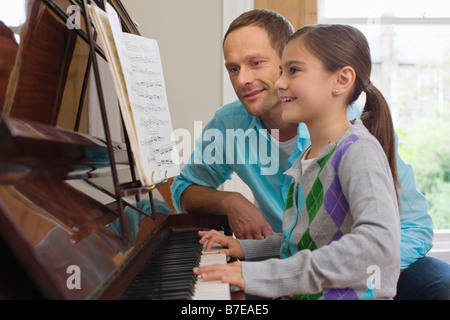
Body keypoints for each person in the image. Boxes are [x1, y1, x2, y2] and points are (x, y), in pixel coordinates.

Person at [170, 9, 450, 299]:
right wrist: (234, 212)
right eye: (233, 68)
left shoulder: (353, 140)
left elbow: (385, 240)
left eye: (257, 63)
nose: (242, 80)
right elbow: (300, 240)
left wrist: (370, 274)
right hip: (299, 265)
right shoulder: (251, 132)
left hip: (359, 269)